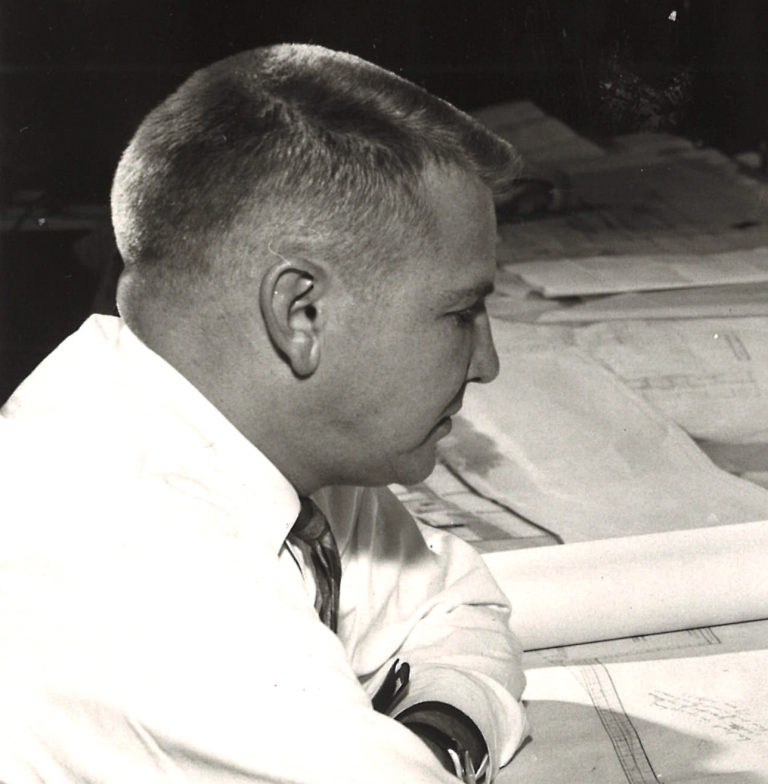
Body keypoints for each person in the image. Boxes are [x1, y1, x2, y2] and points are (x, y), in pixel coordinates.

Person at [0, 44, 528, 783]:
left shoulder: (252, 438)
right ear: (300, 313)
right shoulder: (140, 571)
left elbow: (454, 605)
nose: (486, 362)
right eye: (462, 313)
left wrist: (442, 731)